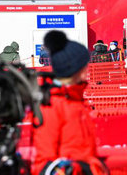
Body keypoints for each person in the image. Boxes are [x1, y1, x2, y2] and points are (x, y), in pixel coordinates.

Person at [32, 31, 108, 175]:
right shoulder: (52, 105)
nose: (88, 68)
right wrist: (72, 169)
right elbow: (44, 163)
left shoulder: (77, 100)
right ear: (75, 70)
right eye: (85, 64)